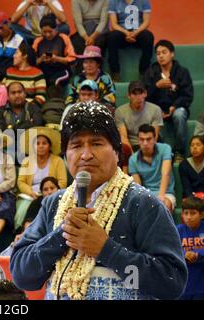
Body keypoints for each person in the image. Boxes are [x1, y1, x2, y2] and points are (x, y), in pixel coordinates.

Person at [10, 101, 187, 300]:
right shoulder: (53, 203)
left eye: (96, 143)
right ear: (66, 155)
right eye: (76, 145)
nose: (86, 155)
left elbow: (171, 282)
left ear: (117, 152)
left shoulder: (144, 203)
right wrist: (63, 234)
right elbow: (21, 276)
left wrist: (106, 250)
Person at [143, 40, 194, 162]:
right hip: (157, 110)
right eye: (158, 53)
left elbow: (187, 95)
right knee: (150, 115)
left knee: (180, 114)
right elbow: (144, 95)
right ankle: (159, 153)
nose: (160, 56)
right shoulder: (151, 72)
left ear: (172, 54)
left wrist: (174, 106)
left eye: (164, 52)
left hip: (176, 109)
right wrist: (157, 86)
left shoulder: (182, 72)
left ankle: (179, 152)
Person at [16, 127, 67, 229]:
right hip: (31, 195)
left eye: (44, 143)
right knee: (23, 210)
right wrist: (30, 192)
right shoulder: (27, 161)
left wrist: (52, 193)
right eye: (37, 143)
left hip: (51, 194)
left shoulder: (58, 161)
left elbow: (62, 182)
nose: (41, 146)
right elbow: (21, 182)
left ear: (50, 146)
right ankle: (23, 232)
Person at [129, 124, 176, 212]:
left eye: (148, 139)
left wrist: (161, 196)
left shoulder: (165, 148)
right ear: (138, 140)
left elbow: (165, 173)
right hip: (147, 194)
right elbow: (138, 186)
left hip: (166, 193)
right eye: (142, 139)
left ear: (155, 139)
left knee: (164, 206)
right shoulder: (133, 159)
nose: (145, 143)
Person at [106, 0, 154, 82]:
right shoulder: (113, 2)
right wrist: (126, 33)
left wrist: (135, 32)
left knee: (148, 37)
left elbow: (146, 21)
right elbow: (114, 24)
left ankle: (144, 71)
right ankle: (115, 73)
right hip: (122, 33)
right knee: (112, 37)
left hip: (138, 32)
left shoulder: (144, 1)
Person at [115, 80, 163, 152]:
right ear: (128, 96)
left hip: (149, 143)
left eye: (141, 93)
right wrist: (131, 155)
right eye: (134, 94)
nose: (138, 97)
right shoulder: (120, 111)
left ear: (145, 94)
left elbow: (154, 136)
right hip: (131, 145)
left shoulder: (155, 109)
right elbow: (123, 137)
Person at [33, 14, 76, 89]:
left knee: (55, 82)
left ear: (56, 29)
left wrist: (56, 58)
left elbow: (72, 59)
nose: (47, 35)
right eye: (44, 32)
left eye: (50, 31)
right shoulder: (38, 41)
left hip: (61, 70)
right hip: (44, 70)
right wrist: (41, 59)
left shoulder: (63, 38)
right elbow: (32, 61)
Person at [177, 196, 204, 300]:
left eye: (193, 213)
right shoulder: (178, 230)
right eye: (186, 213)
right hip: (184, 285)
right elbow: (171, 251)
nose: (188, 217)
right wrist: (184, 255)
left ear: (201, 214)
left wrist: (198, 254)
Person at [5, 41, 47, 107]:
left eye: (16, 53)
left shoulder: (37, 73)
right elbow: (2, 91)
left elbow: (41, 96)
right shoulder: (9, 72)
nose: (13, 56)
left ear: (24, 56)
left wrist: (28, 108)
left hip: (30, 110)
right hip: (9, 108)